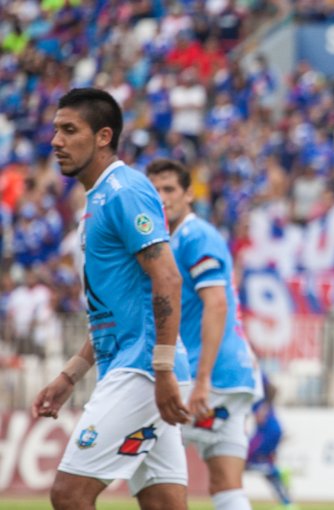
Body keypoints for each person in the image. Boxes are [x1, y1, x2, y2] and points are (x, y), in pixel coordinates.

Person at [31, 88, 192, 510]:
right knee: (163, 504)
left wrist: (161, 369)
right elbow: (112, 309)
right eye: (55, 130)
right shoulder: (98, 199)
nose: (56, 141)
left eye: (69, 130)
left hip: (143, 371)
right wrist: (71, 375)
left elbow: (168, 279)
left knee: (69, 494)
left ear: (103, 136)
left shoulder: (124, 190)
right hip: (137, 366)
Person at [147, 158, 260, 510]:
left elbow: (217, 305)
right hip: (236, 376)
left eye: (169, 189)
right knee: (227, 484)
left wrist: (201, 380)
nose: (162, 198)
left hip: (207, 377)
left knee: (147, 462)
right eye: (154, 191)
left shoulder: (194, 236)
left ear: (188, 196)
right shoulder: (176, 238)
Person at [246, 374, 294, 509]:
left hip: (267, 431)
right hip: (265, 430)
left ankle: (277, 472)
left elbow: (274, 389)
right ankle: (287, 503)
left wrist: (265, 406)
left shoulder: (257, 372)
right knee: (250, 463)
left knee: (242, 460)